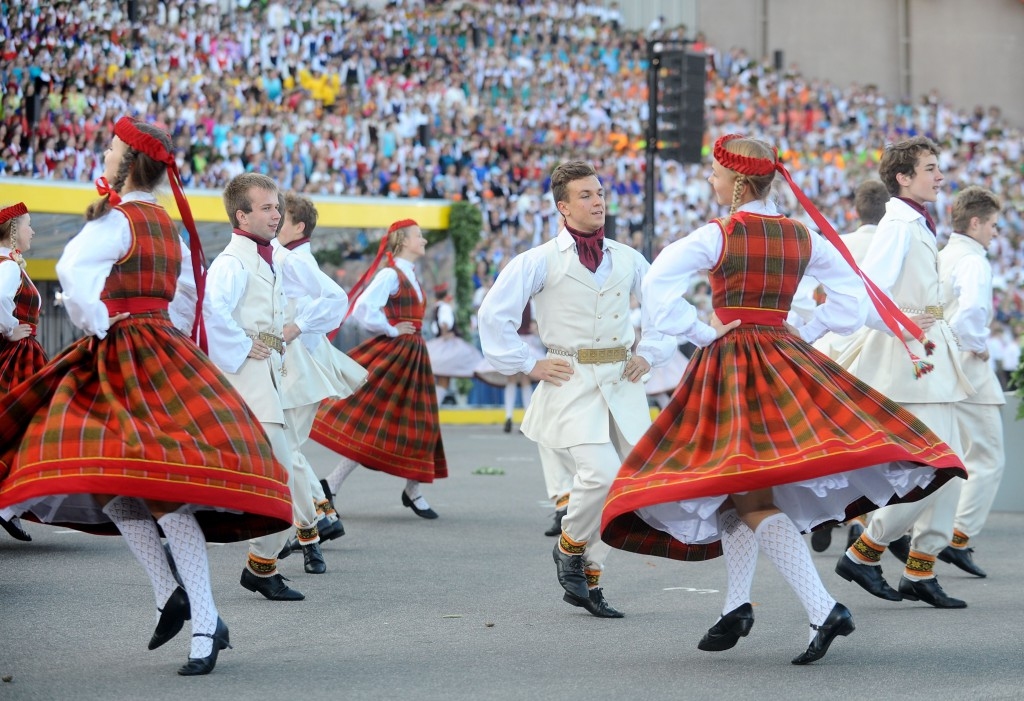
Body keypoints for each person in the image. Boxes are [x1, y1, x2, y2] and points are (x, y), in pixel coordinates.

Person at [599, 134, 966, 664]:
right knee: (736, 490)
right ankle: (736, 606)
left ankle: (822, 607)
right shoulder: (802, 236)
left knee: (749, 494)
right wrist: (805, 331)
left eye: (717, 173)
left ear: (739, 182)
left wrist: (702, 331)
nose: (711, 180)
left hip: (731, 366)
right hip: (785, 361)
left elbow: (658, 284)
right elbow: (851, 298)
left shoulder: (718, 235)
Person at [0, 117, 293, 675]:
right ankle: (173, 598)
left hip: (126, 350)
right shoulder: (166, 224)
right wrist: (173, 341)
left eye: (111, 148)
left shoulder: (118, 218)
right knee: (121, 484)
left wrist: (100, 322)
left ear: (129, 162)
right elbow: (187, 295)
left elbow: (71, 269)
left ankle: (203, 616)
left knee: (154, 489)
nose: (105, 155)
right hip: (161, 348)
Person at [478, 160, 675, 618]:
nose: (598, 201)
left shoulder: (628, 257)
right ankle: (569, 548)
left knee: (625, 487)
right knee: (602, 474)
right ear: (562, 207)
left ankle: (591, 576)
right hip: (570, 381)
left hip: (622, 383)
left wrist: (652, 351)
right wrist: (529, 362)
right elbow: (493, 316)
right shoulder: (538, 260)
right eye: (585, 195)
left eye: (600, 193)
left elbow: (664, 309)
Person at [831, 136, 974, 609]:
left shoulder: (915, 220)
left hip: (927, 351)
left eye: (937, 167)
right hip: (911, 356)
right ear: (903, 178)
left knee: (944, 468)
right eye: (930, 168)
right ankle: (866, 550)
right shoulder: (897, 223)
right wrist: (904, 326)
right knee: (939, 467)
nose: (939, 175)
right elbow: (868, 288)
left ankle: (904, 563)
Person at [202, 172, 309, 600]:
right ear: (241, 216)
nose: (276, 213)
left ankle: (261, 564)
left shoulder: (268, 257)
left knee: (275, 476)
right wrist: (247, 346)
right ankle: (258, 566)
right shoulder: (231, 262)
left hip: (265, 380)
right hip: (245, 382)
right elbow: (213, 314)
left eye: (277, 206)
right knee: (279, 476)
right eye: (266, 207)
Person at [310, 219, 447, 520]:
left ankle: (411, 489)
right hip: (398, 352)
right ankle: (333, 483)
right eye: (418, 236)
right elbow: (362, 308)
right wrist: (393, 329)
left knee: (420, 422)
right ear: (403, 241)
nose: (423, 240)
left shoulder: (408, 274)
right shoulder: (391, 274)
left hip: (411, 354)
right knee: (375, 422)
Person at [271, 192, 366, 560]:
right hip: (298, 364)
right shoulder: (288, 255)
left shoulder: (293, 259)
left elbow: (333, 300)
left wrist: (297, 327)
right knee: (285, 447)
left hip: (299, 365)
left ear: (299, 227)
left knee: (285, 448)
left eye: (282, 217)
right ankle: (318, 516)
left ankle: (315, 519)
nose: (276, 221)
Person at [807, 179, 889, 552]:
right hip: (878, 348)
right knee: (878, 437)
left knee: (837, 435)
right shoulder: (894, 242)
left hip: (833, 346)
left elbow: (815, 295)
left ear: (856, 210)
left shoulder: (835, 244)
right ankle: (866, 517)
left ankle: (836, 510)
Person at [936, 186, 1005, 577]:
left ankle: (934, 537)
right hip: (966, 362)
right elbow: (971, 312)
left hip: (943, 364)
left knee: (957, 456)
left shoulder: (943, 255)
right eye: (993, 224)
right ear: (975, 222)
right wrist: (977, 345)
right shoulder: (973, 261)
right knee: (988, 459)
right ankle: (958, 537)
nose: (996, 232)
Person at [0, 202, 43, 541]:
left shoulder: (9, 264)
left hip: (18, 354)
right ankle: (8, 505)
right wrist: (9, 327)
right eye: (28, 225)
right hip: (17, 356)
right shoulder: (8, 266)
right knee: (29, 428)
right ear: (14, 230)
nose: (33, 231)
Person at [426, 282, 483, 406]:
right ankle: (433, 407)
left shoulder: (437, 307)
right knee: (444, 378)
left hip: (440, 344)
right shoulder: (445, 307)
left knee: (443, 379)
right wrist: (446, 333)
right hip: (446, 344)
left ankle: (433, 406)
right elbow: (444, 323)